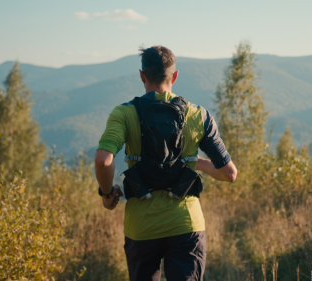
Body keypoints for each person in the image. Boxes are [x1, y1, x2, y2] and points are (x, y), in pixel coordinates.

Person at [94, 45, 237, 281]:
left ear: (142, 76)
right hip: (186, 225)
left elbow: (102, 159)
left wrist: (107, 195)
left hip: (141, 228)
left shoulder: (123, 113)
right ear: (175, 76)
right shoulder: (199, 115)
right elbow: (229, 174)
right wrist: (194, 163)